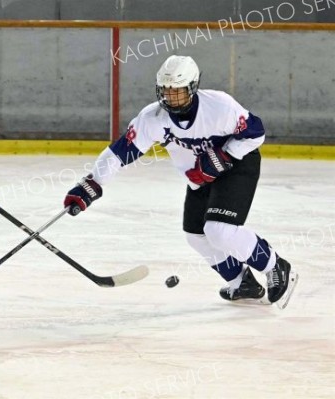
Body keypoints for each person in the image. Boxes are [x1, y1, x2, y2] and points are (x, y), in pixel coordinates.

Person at [63, 55, 298, 308]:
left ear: (193, 87)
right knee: (196, 235)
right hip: (200, 177)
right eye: (165, 91)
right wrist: (92, 184)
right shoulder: (152, 119)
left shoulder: (219, 107)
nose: (170, 97)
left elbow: (256, 133)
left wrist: (223, 156)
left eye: (178, 91)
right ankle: (242, 282)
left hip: (237, 166)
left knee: (219, 230)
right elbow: (120, 153)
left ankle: (275, 266)